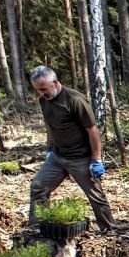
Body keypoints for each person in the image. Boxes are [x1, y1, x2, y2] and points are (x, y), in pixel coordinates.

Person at [28, 66, 116, 233]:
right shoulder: (44, 100)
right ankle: (38, 229)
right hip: (57, 156)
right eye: (38, 90)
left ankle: (109, 229)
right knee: (38, 186)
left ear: (55, 82)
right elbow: (51, 126)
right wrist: (50, 148)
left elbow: (93, 130)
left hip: (80, 157)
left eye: (44, 89)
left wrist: (96, 159)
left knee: (96, 196)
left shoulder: (75, 100)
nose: (41, 93)